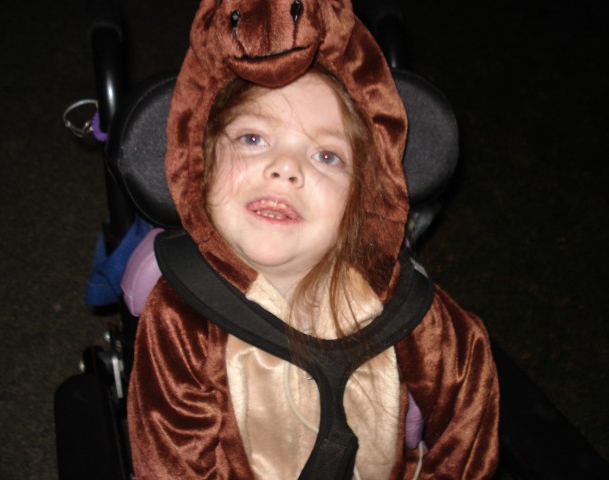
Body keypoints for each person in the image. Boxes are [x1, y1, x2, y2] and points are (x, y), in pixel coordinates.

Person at [127, 1, 499, 479]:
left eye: (326, 156)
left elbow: (467, 406)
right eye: (253, 139)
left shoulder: (400, 309)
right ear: (201, 162)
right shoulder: (182, 319)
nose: (286, 169)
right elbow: (173, 466)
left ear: (363, 193)